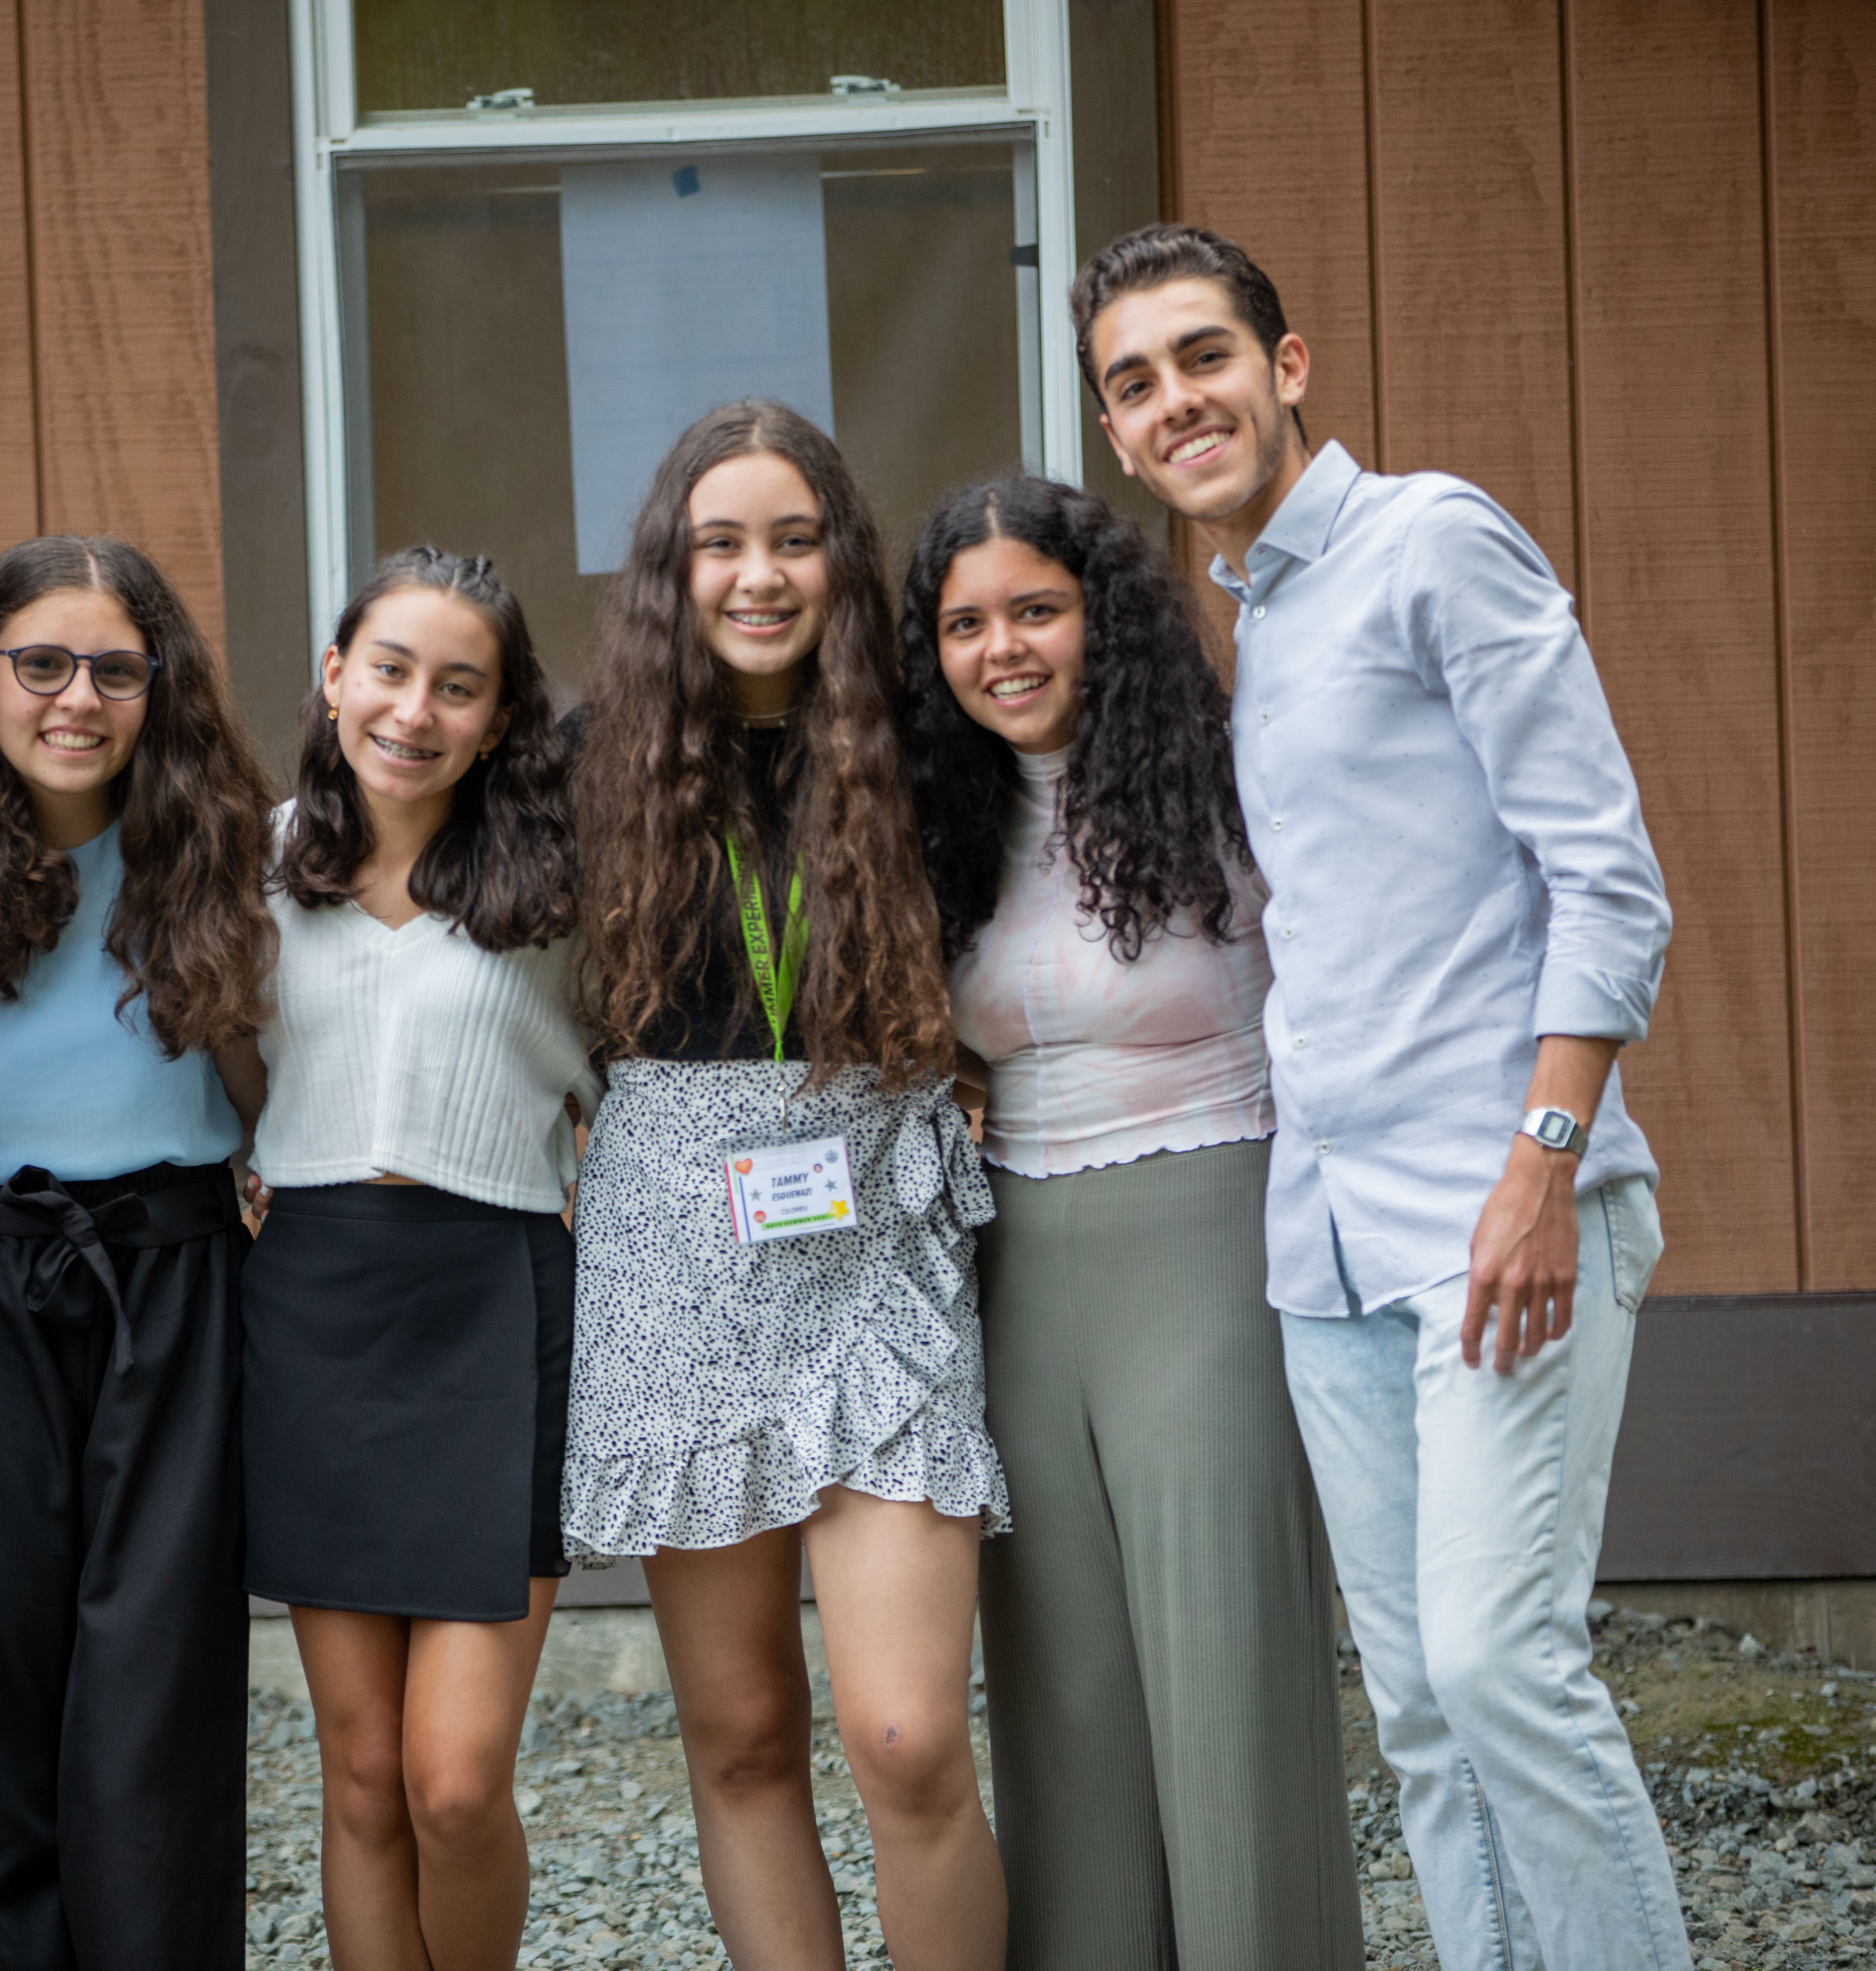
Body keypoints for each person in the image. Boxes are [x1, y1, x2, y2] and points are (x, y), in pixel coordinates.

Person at [1075, 220, 1684, 1971]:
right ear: (1118, 436)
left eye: (1206, 357)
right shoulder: (1257, 619)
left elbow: (1610, 881)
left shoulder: (1433, 544)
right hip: (1330, 1248)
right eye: (1137, 383)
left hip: (1502, 1213)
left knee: (1504, 1667)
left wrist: (1545, 1166)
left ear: (1288, 366)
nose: (1179, 401)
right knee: (1422, 1710)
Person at [564, 400, 1008, 1971]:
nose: (759, 575)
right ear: (670, 568)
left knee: (907, 1738)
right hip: (676, 1255)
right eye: (722, 544)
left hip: (875, 1237)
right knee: (746, 1736)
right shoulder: (587, 763)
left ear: (842, 559)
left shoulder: (928, 749)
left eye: (795, 540)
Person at [898, 473, 1360, 1970]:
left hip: (1212, 1228)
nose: (1003, 650)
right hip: (1019, 1265)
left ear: (1103, 617)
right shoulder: (939, 826)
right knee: (1067, 1694)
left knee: (1227, 1674)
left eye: (1037, 610)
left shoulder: (1223, 782)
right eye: (966, 624)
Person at [0, 535, 274, 1971]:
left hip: (172, 1272)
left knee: (155, 1672)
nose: (78, 700)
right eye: (41, 664)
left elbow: (267, 1094)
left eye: (116, 669)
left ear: (160, 686)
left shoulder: (220, 846)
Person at [242, 546, 597, 1971]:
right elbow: (203, 1060)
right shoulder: (254, 865)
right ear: (336, 676)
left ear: (501, 720)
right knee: (365, 1778)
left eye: (460, 688)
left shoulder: (561, 885)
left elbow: (641, 1077)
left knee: (454, 1782)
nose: (414, 711)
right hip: (311, 1313)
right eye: (389, 671)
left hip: (496, 1304)